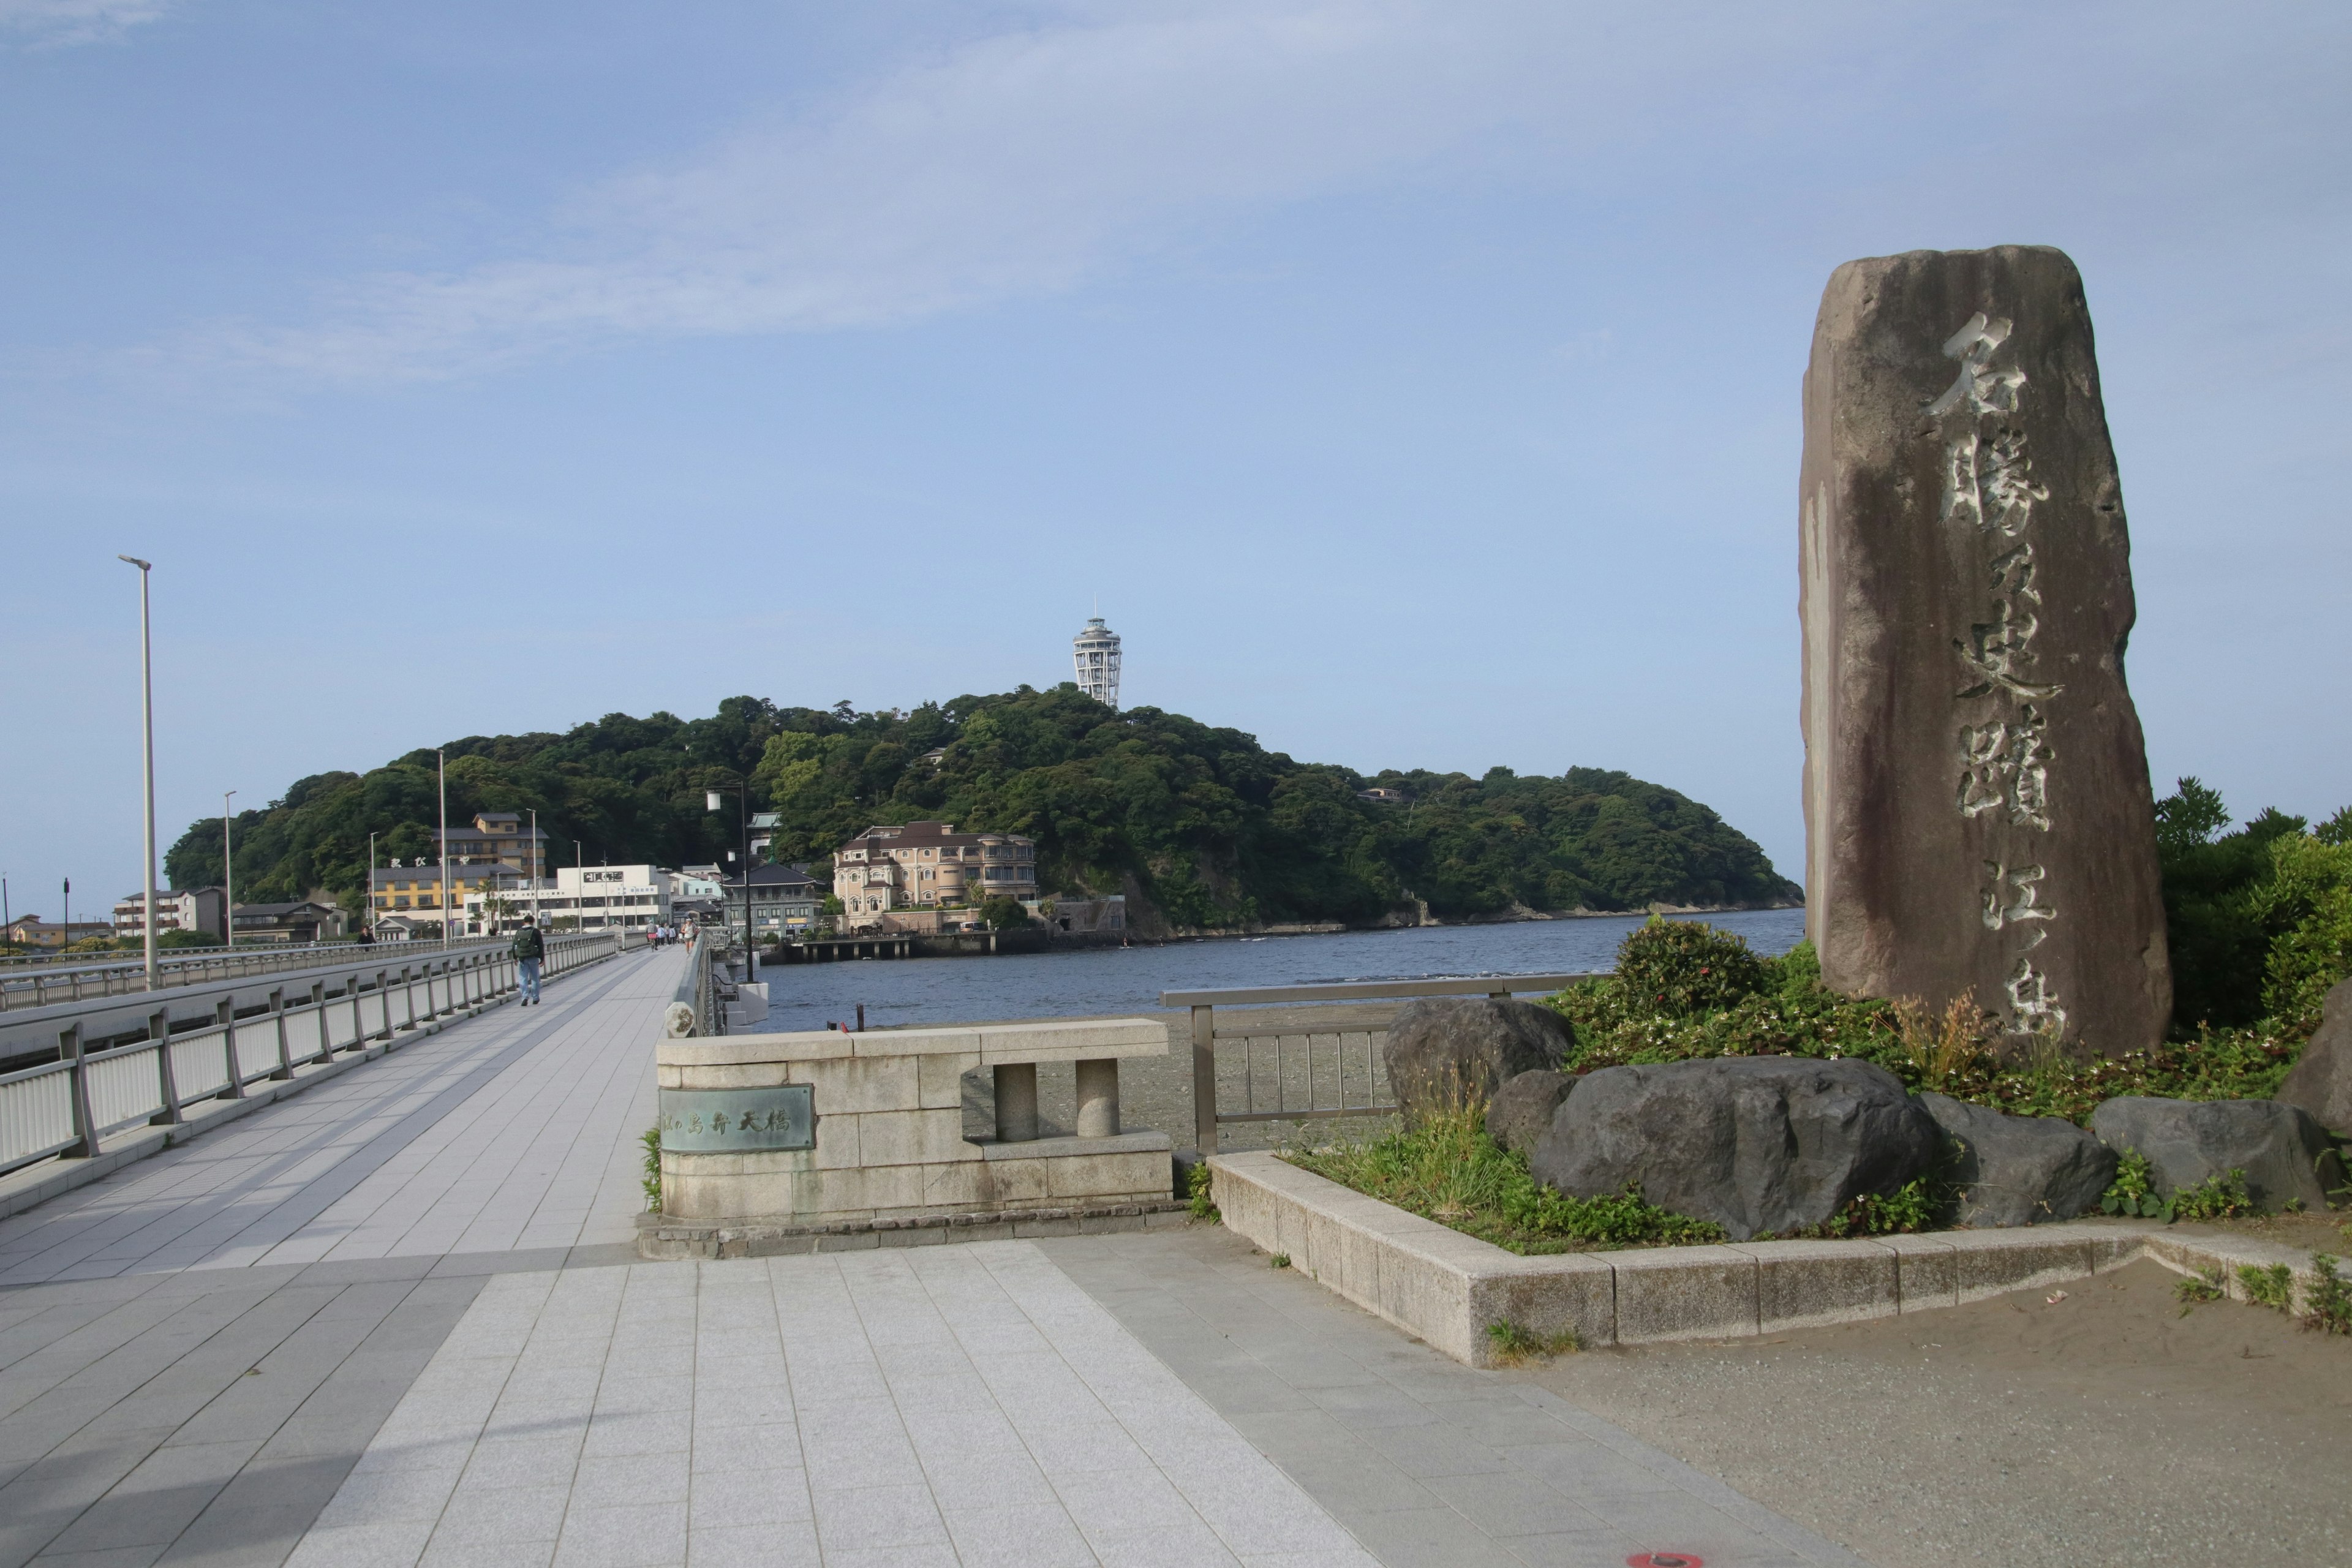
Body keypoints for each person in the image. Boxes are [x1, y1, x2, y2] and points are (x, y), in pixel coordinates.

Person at [513, 921, 545, 1005]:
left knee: (523, 978)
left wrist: (515, 957)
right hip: (533, 957)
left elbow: (515, 945)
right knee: (535, 978)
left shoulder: (519, 931)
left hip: (522, 958)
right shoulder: (536, 931)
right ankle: (535, 998)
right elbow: (541, 945)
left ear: (524, 922)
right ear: (533, 921)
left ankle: (524, 997)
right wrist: (542, 958)